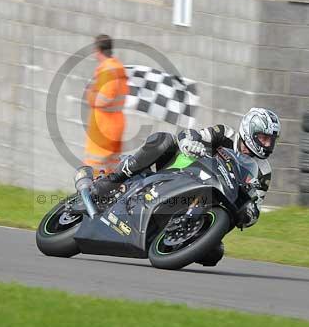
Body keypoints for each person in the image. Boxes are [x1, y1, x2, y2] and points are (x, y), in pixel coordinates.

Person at [91, 107, 281, 230]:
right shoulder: (225, 134)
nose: (267, 144)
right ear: (250, 131)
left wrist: (249, 214)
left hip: (210, 199)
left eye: (271, 140)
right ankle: (113, 180)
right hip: (183, 169)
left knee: (214, 255)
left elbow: (255, 204)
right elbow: (190, 133)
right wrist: (189, 142)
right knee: (164, 141)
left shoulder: (264, 171)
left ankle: (188, 232)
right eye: (263, 138)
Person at [83, 35, 128, 176]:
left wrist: (90, 93)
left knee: (95, 167)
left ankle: (92, 196)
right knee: (112, 168)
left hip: (103, 126)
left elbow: (103, 100)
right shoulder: (118, 67)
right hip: (115, 123)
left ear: (98, 50)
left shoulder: (107, 70)